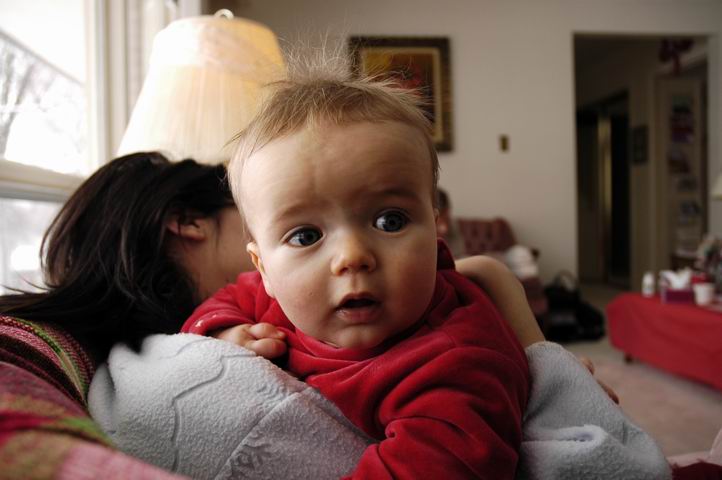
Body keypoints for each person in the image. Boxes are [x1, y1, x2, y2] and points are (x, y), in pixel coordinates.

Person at [177, 70, 671, 479]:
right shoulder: (272, 298)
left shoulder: (454, 362)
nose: (352, 257)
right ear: (263, 267)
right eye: (306, 235)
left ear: (435, 231)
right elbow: (227, 300)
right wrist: (221, 330)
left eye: (389, 221)